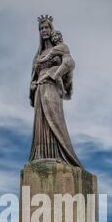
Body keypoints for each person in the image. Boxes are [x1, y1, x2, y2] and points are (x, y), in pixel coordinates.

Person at [29, 16, 82, 167]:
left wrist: (57, 75)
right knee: (42, 121)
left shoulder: (60, 48)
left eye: (46, 27)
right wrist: (33, 85)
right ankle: (42, 154)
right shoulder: (38, 54)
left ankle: (61, 154)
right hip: (40, 87)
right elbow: (34, 74)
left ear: (51, 29)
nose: (44, 30)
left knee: (55, 119)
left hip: (52, 87)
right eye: (41, 28)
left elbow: (69, 64)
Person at [36, 30, 75, 99]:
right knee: (52, 70)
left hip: (67, 62)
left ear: (59, 36)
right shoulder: (64, 46)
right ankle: (40, 81)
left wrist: (39, 60)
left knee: (57, 76)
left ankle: (62, 91)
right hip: (70, 62)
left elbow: (48, 57)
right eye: (53, 37)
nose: (53, 38)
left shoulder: (58, 48)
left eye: (55, 36)